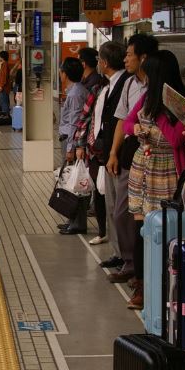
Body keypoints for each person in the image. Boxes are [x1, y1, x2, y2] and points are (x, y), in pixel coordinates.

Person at [122, 50, 185, 309]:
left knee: (165, 230)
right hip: (142, 168)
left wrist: (160, 109)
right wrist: (136, 128)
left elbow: (175, 139)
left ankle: (166, 287)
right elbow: (127, 123)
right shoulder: (146, 97)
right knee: (141, 230)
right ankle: (143, 286)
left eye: (149, 75)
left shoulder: (184, 102)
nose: (146, 80)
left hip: (168, 170)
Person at [105, 33, 159, 292]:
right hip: (132, 153)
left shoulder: (157, 87)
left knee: (146, 216)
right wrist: (113, 153)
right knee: (123, 212)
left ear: (143, 57)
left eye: (129, 54)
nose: (125, 59)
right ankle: (130, 262)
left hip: (157, 159)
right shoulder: (128, 84)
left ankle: (143, 271)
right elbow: (123, 121)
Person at [86, 41, 130, 257]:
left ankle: (124, 255)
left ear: (103, 62)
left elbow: (121, 120)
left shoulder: (125, 83)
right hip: (108, 151)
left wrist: (111, 151)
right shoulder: (109, 85)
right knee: (111, 204)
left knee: (118, 207)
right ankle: (118, 253)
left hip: (118, 153)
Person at [68, 47, 107, 242]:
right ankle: (92, 225)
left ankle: (87, 224)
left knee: (93, 187)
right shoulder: (95, 85)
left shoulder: (94, 86)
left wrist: (77, 145)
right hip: (95, 147)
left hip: (97, 148)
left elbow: (82, 118)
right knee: (94, 187)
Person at [56, 57, 88, 233]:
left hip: (72, 142)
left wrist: (71, 148)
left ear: (65, 74)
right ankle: (72, 219)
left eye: (61, 71)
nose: (60, 74)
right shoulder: (75, 90)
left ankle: (78, 222)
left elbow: (75, 122)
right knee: (71, 181)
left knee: (76, 183)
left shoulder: (75, 93)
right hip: (70, 140)